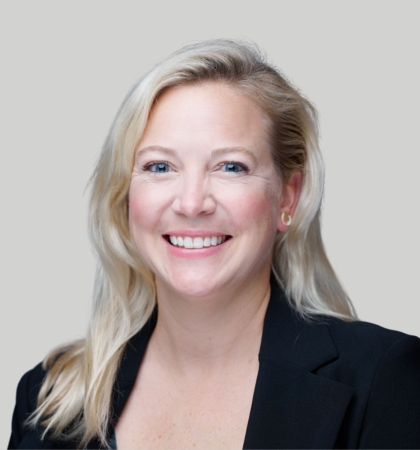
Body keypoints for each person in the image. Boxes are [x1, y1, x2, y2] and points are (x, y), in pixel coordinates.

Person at [9, 39, 420, 450]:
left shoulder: (385, 381)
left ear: (288, 197)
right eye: (159, 166)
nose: (191, 203)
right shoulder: (48, 397)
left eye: (231, 166)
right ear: (126, 195)